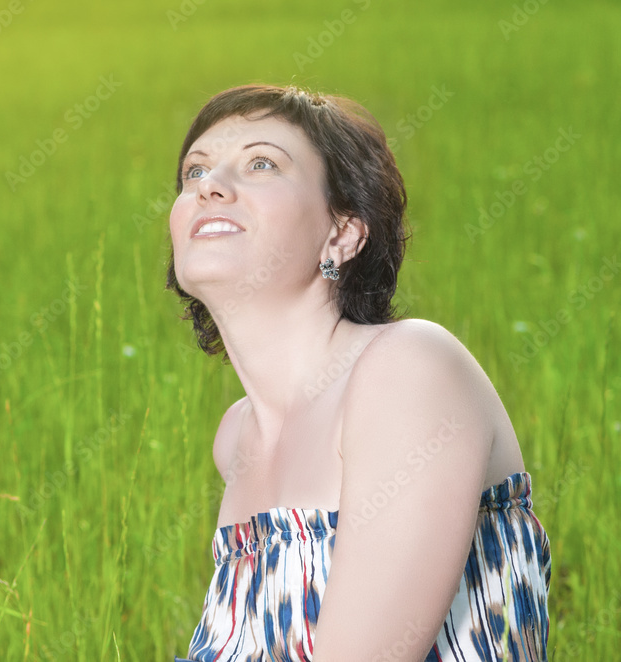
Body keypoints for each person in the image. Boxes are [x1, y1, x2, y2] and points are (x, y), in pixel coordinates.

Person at [166, 85, 551, 662]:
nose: (209, 186)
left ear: (342, 233)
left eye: (262, 163)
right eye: (195, 171)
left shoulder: (408, 369)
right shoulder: (237, 438)